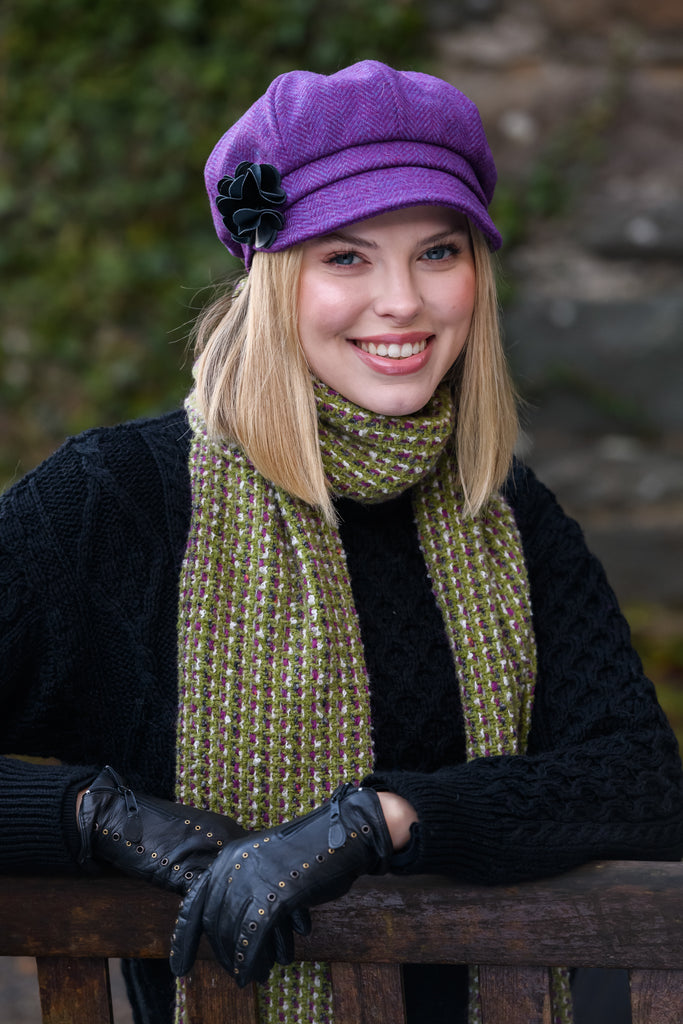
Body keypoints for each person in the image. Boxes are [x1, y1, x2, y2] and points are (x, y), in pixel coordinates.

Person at [1, 60, 682, 1024]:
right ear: (275, 279)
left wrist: (385, 818)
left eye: (438, 252)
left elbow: (639, 781)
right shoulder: (115, 503)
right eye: (347, 257)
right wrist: (101, 817)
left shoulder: (505, 510)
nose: (402, 301)